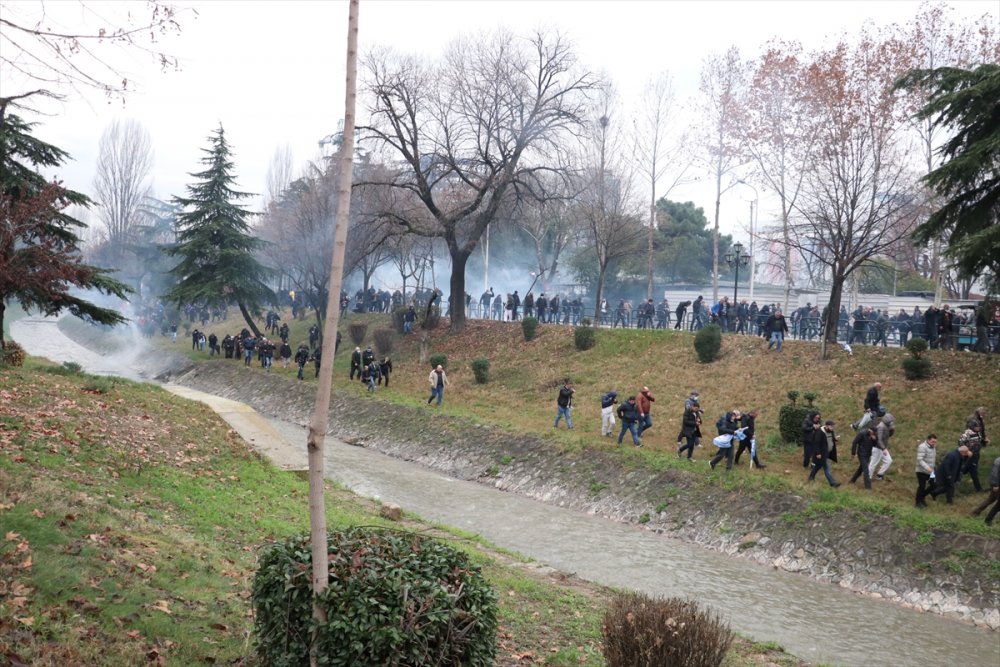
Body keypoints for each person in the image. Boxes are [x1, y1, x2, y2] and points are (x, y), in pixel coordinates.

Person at [807, 420, 841, 486]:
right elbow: (816, 444)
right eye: (831, 427)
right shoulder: (819, 432)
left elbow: (830, 439)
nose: (832, 428)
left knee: (817, 466)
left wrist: (835, 439)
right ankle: (832, 482)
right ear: (826, 426)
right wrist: (818, 453)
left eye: (833, 427)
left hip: (827, 452)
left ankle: (811, 477)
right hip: (822, 453)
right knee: (826, 467)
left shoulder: (831, 432)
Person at [972, 455, 1000, 525]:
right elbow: (994, 474)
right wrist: (995, 485)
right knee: (997, 503)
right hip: (996, 484)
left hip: (996, 484)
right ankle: (988, 519)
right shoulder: (998, 461)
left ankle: (976, 512)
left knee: (991, 499)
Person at [958, 421, 985, 492]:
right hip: (968, 456)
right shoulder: (966, 434)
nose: (978, 428)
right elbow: (960, 443)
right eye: (977, 427)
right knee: (963, 470)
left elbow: (979, 442)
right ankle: (951, 482)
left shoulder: (978, 433)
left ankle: (979, 489)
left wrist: (984, 442)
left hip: (976, 455)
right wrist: (967, 451)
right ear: (972, 427)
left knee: (973, 471)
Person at [870, 409, 895, 481]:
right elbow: (879, 439)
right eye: (891, 421)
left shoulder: (887, 426)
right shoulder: (881, 426)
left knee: (889, 461)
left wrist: (892, 431)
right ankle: (868, 478)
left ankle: (879, 474)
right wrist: (883, 449)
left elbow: (888, 436)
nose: (891, 423)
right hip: (878, 448)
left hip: (882, 448)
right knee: (873, 464)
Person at [914, 434, 938, 508]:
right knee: (922, 486)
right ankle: (918, 502)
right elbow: (920, 459)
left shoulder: (933, 447)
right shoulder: (922, 447)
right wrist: (927, 468)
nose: (934, 443)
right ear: (928, 440)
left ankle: (922, 497)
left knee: (934, 485)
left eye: (935, 442)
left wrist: (932, 469)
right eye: (932, 441)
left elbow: (932, 460)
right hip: (921, 471)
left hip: (931, 471)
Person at [677, 396, 702, 460]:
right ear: (692, 406)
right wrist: (695, 423)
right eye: (695, 408)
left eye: (697, 409)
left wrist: (699, 421)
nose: (696, 410)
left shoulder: (697, 412)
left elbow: (699, 420)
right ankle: (680, 450)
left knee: (692, 445)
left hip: (695, 430)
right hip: (688, 430)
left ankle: (689, 457)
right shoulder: (687, 412)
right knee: (690, 444)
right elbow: (685, 421)